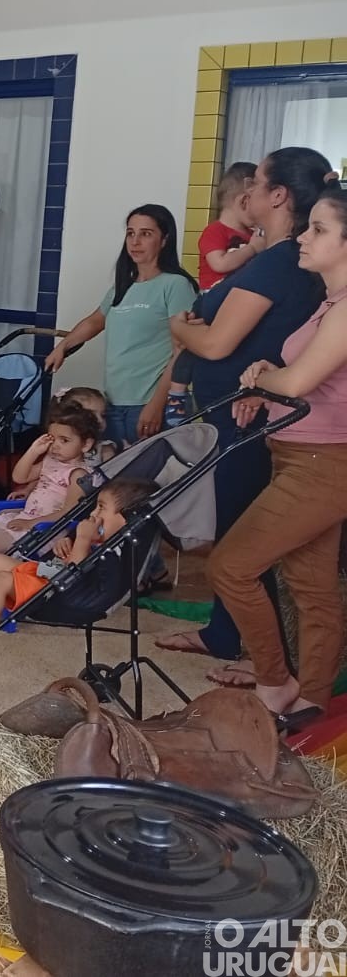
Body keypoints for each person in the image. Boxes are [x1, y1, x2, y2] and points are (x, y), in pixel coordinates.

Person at [158, 148, 331, 676]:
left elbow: (215, 344)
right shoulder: (274, 256)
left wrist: (180, 326)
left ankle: (266, 660)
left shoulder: (280, 261)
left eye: (256, 183)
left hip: (253, 418)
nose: (246, 194)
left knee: (244, 542)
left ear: (279, 196)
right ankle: (224, 632)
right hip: (238, 410)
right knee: (234, 526)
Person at [203, 184, 347, 726]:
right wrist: (268, 381)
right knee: (312, 586)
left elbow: (303, 379)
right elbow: (297, 380)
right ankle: (310, 697)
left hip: (323, 465)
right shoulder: (328, 304)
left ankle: (274, 680)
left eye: (318, 230)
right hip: (299, 457)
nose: (302, 237)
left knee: (231, 566)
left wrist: (265, 379)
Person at [0, 478, 157, 646]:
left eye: (102, 508)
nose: (94, 513)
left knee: (2, 580)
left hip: (71, 598)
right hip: (55, 578)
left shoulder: (114, 550)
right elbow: (70, 561)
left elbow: (73, 577)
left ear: (125, 518)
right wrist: (66, 544)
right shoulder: (100, 538)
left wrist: (83, 541)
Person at [45, 204, 198, 446]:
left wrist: (157, 404)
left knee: (148, 482)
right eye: (130, 233)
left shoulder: (176, 285)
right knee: (115, 479)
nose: (135, 241)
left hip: (151, 402)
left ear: (165, 240)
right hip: (112, 404)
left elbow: (182, 349)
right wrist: (63, 346)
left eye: (146, 234)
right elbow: (96, 320)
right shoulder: (122, 286)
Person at [0, 402, 98, 598]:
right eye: (53, 440)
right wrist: (34, 450)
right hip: (25, 518)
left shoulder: (78, 475)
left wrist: (32, 522)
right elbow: (19, 477)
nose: (56, 446)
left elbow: (68, 513)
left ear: (86, 444)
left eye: (65, 440)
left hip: (45, 531)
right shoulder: (50, 461)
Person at [166, 163, 258, 424]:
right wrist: (253, 249)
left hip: (234, 302)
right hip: (210, 297)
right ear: (243, 200)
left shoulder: (252, 235)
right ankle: (177, 394)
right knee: (190, 347)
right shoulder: (215, 231)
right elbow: (219, 263)